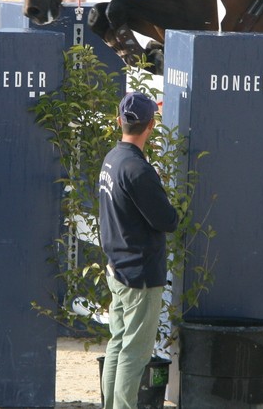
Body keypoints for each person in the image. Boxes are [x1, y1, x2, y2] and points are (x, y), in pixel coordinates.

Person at [99, 91, 179, 409]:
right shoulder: (137, 169)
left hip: (117, 267)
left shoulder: (112, 159)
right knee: (134, 353)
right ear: (151, 125)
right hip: (140, 274)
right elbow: (168, 220)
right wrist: (156, 183)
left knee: (118, 345)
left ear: (119, 120)